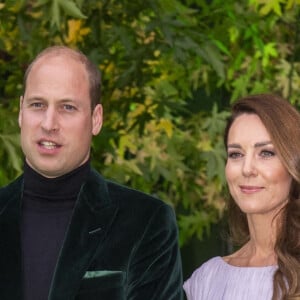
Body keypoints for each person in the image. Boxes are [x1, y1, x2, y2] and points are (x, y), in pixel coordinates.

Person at [0, 45, 183, 300]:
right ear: (21, 112)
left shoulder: (147, 223)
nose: (48, 123)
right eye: (38, 104)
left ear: (96, 119)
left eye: (67, 107)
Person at [183, 94, 300, 300]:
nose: (247, 169)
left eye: (266, 153)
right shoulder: (207, 279)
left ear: (293, 164)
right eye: (236, 154)